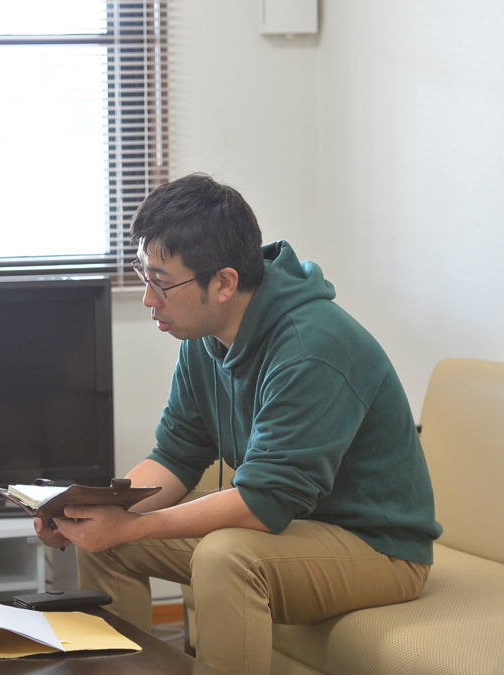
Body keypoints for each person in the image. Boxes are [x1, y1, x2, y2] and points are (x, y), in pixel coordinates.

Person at [34, 174, 442, 674]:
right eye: (144, 276)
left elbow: (265, 500)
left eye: (161, 281)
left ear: (224, 282)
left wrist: (134, 525)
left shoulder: (312, 348)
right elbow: (175, 455)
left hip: (379, 549)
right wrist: (91, 511)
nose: (148, 299)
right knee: (105, 541)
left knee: (224, 555)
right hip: (294, 529)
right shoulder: (202, 338)